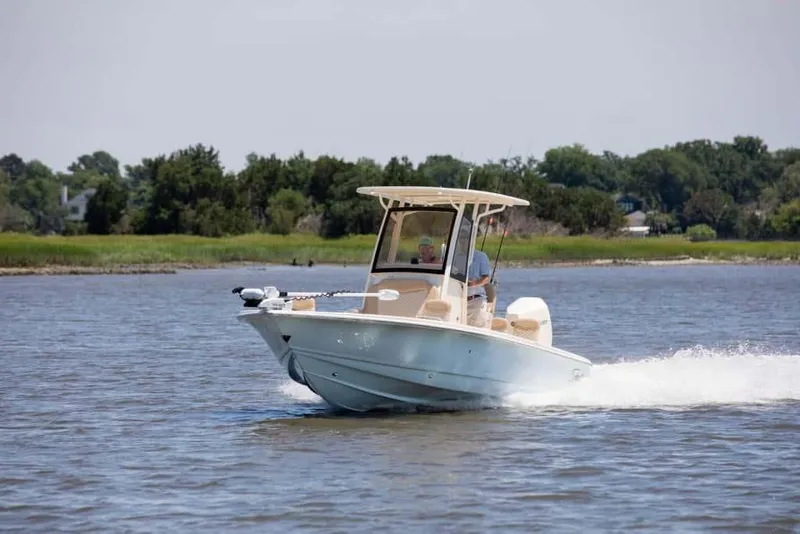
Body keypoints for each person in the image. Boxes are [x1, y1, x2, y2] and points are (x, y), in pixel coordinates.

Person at [466, 247, 491, 327]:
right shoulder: (457, 257)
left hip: (477, 299)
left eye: (465, 238)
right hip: (460, 300)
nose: (463, 240)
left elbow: (486, 279)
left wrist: (474, 283)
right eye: (462, 238)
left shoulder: (481, 256)